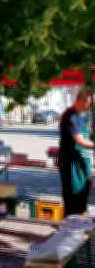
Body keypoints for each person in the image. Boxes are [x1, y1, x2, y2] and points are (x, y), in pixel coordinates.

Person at [58, 89, 94, 217]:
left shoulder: (79, 116)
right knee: (74, 200)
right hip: (73, 166)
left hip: (80, 164)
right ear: (80, 100)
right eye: (89, 103)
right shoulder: (71, 116)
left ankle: (77, 228)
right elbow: (79, 140)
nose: (90, 106)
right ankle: (71, 230)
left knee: (81, 199)